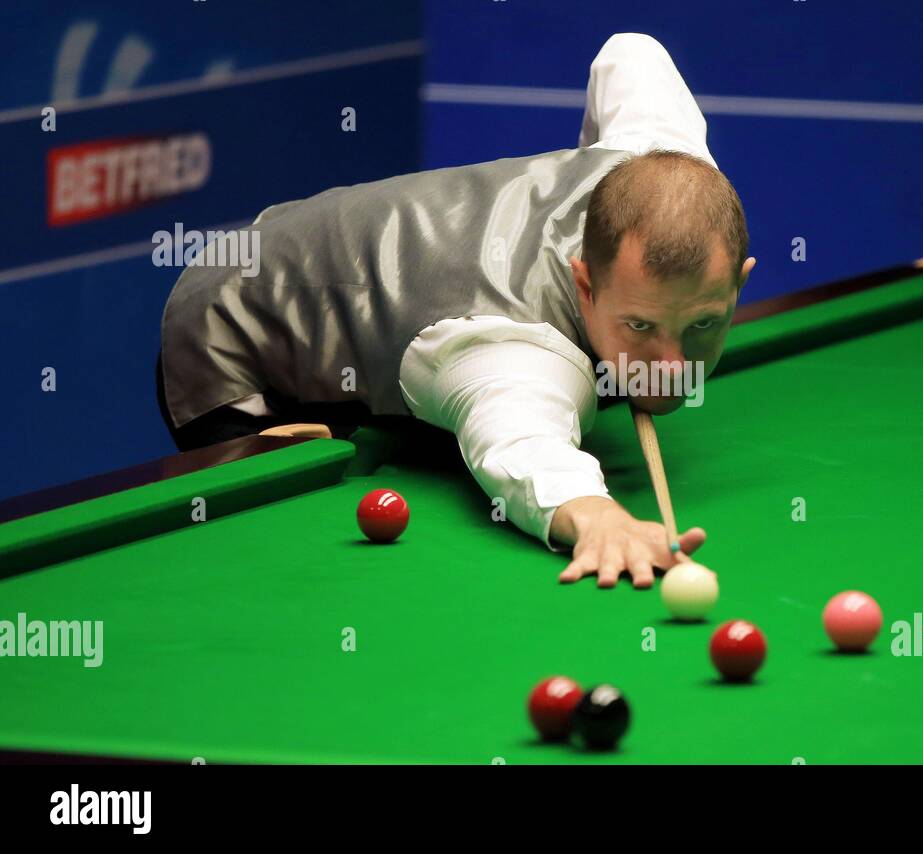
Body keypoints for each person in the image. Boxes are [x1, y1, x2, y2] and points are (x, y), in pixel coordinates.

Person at [156, 33, 756, 588]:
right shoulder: (512, 346)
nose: (672, 365)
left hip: (363, 273)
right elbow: (520, 442)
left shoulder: (664, 161)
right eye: (641, 326)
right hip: (234, 328)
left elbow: (633, 52)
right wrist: (595, 516)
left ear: (739, 282)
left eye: (703, 324)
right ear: (585, 283)